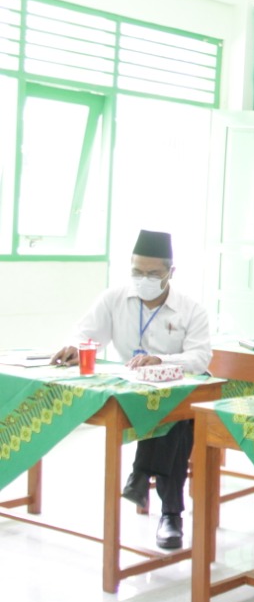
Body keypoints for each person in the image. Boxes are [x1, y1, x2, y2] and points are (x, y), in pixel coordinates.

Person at [52, 230, 211, 550]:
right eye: (138, 271)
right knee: (166, 417)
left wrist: (162, 360)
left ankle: (163, 504)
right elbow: (87, 334)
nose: (144, 279)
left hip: (182, 392)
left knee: (175, 418)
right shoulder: (115, 298)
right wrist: (73, 347)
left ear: (171, 273)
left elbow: (200, 358)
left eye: (153, 274)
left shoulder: (191, 309)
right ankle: (162, 504)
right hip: (133, 391)